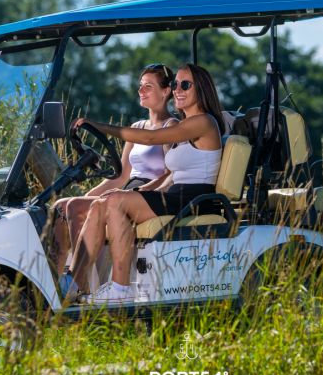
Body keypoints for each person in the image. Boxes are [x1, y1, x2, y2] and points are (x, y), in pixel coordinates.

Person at [71, 63, 225, 303]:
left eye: (185, 85)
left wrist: (98, 126)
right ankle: (74, 285)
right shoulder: (186, 125)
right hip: (175, 195)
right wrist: (147, 189)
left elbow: (150, 137)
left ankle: (120, 289)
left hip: (194, 199)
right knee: (101, 203)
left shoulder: (204, 122)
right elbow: (173, 174)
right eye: (175, 84)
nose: (177, 90)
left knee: (115, 201)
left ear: (201, 89)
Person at [54, 64, 177, 301]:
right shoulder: (136, 128)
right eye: (140, 86)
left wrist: (143, 189)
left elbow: (169, 172)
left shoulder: (170, 127)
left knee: (78, 206)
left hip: (147, 194)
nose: (141, 91)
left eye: (148, 86)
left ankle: (77, 284)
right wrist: (89, 195)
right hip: (128, 189)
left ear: (166, 91)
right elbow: (121, 176)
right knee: (64, 205)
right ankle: (60, 277)